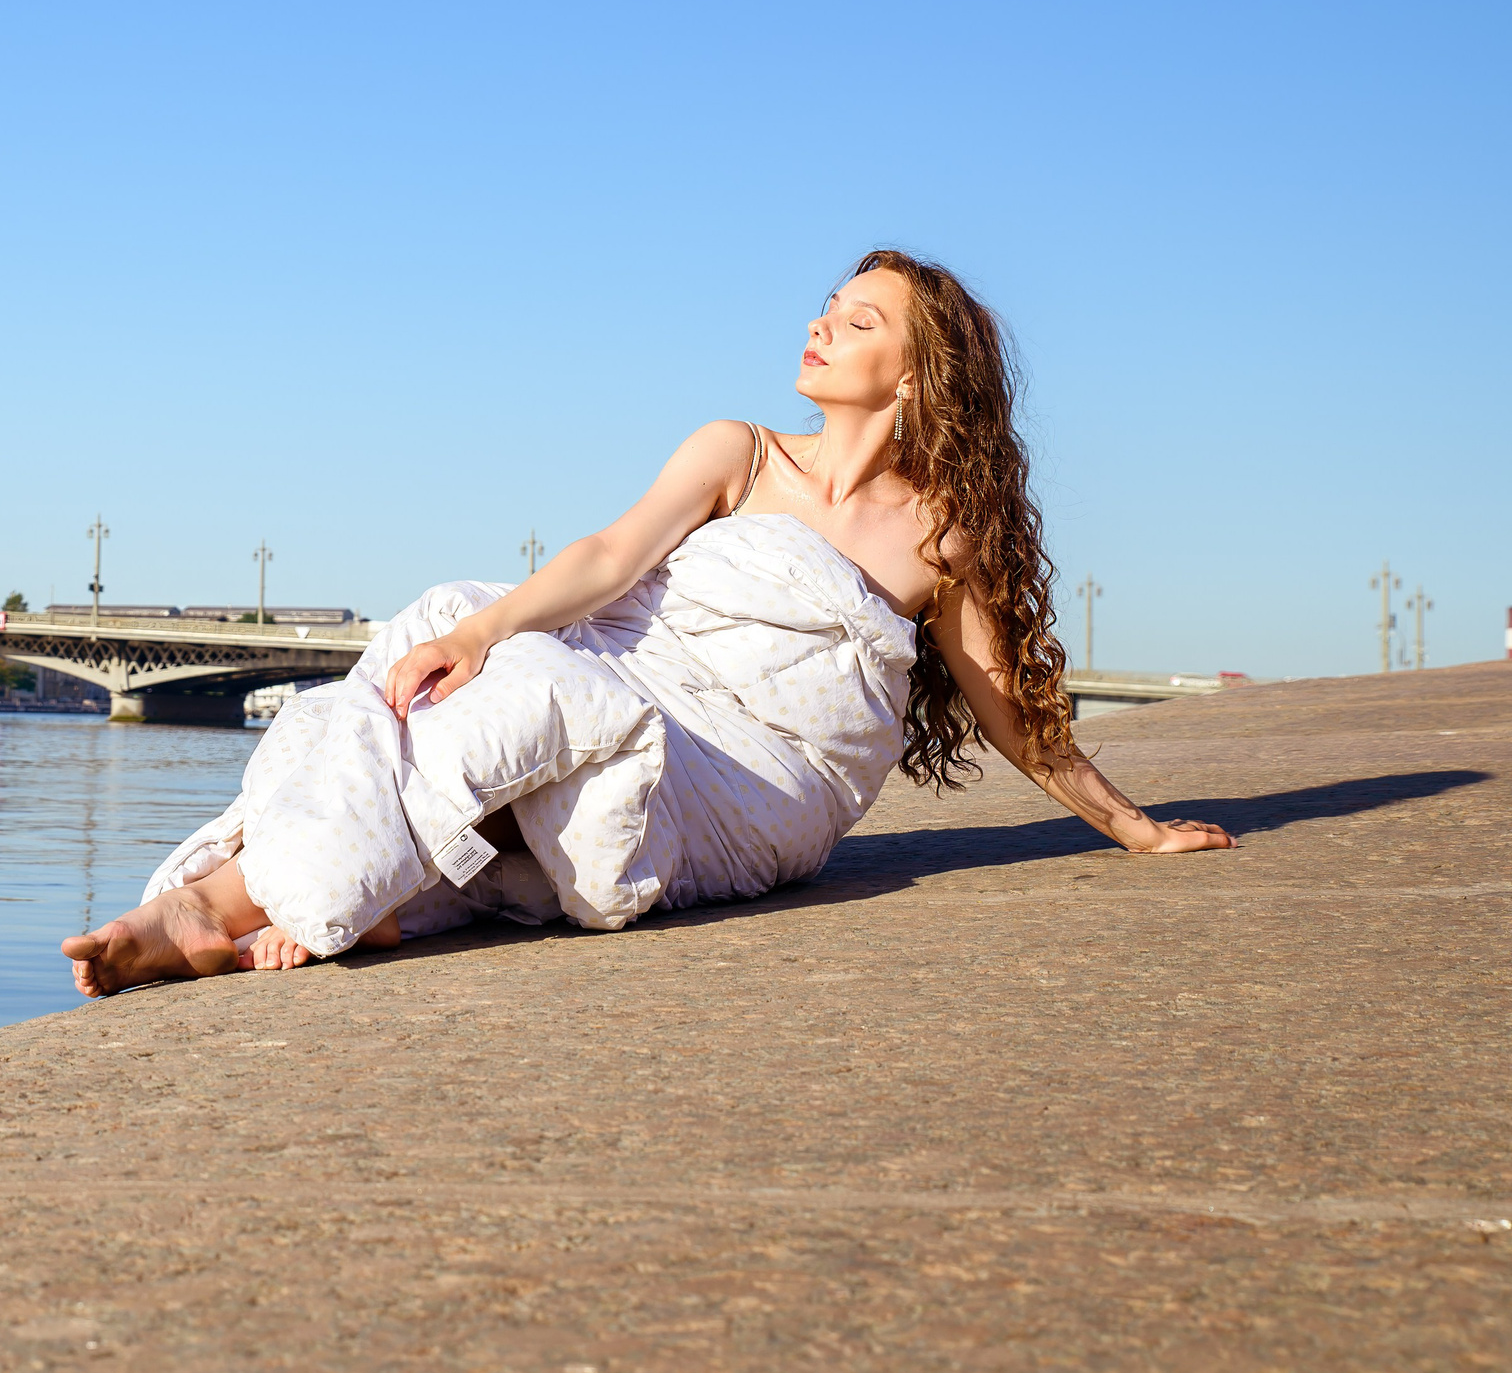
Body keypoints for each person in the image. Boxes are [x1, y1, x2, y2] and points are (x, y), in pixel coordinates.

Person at [63, 250, 1235, 997]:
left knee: (539, 699)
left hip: (752, 776)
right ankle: (332, 899)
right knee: (454, 624)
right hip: (642, 679)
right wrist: (480, 633)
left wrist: (1130, 827)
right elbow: (610, 559)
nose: (820, 324)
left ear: (917, 375)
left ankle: (219, 905)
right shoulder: (739, 452)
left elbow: (1007, 707)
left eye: (857, 321)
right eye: (826, 306)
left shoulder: (939, 536)